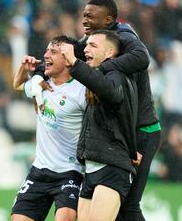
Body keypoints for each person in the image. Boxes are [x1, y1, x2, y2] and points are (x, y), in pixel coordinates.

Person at [79, 0, 162, 221]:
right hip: (124, 133)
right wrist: (38, 71)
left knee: (128, 207)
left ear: (107, 20)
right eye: (84, 15)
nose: (84, 19)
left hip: (143, 131)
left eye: (89, 16)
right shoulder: (95, 40)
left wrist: (101, 70)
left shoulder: (124, 36)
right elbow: (66, 53)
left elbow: (142, 58)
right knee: (117, 210)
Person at [61, 29, 139, 221]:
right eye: (86, 45)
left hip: (112, 166)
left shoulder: (117, 76)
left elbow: (111, 93)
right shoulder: (98, 78)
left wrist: (75, 63)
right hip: (92, 166)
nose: (86, 49)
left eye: (93, 46)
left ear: (109, 53)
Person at [11, 36, 86, 221]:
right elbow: (18, 85)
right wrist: (23, 68)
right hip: (40, 170)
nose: (45, 55)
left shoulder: (82, 91)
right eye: (46, 50)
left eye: (53, 52)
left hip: (71, 172)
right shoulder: (41, 85)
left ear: (68, 59)